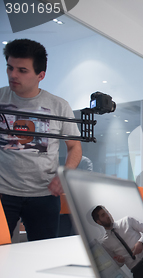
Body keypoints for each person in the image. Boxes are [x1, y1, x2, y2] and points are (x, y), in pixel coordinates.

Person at [0, 39, 82, 241]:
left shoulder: (59, 106)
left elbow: (75, 148)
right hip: (2, 193)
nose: (13, 75)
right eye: (10, 68)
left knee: (44, 252)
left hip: (44, 195)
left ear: (41, 75)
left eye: (22, 70)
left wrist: (65, 175)